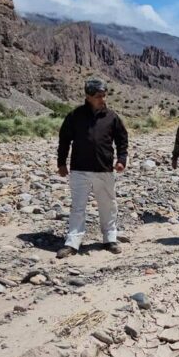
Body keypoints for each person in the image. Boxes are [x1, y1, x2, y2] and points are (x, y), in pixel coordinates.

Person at [56, 78, 129, 258]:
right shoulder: (75, 116)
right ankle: (72, 243)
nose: (102, 99)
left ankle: (110, 239)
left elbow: (122, 140)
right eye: (98, 96)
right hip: (79, 169)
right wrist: (61, 163)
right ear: (88, 96)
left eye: (104, 96)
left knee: (108, 205)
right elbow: (64, 140)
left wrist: (122, 159)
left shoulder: (112, 117)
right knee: (78, 207)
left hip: (104, 169)